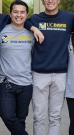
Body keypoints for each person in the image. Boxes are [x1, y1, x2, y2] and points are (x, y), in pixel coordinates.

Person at [26, 0, 74, 135]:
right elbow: (23, 21)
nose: (50, 1)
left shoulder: (69, 18)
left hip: (60, 74)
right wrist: (34, 28)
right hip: (39, 73)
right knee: (39, 116)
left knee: (55, 116)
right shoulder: (35, 19)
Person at [0, 1, 35, 135]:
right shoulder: (2, 31)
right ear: (10, 14)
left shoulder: (31, 33)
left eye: (22, 12)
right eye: (15, 12)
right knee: (8, 116)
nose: (18, 15)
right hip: (6, 83)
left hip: (26, 84)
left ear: (27, 15)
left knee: (20, 120)